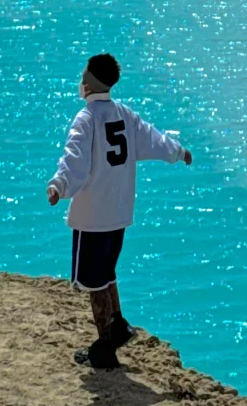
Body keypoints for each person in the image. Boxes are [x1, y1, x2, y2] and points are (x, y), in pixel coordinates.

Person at [47, 52, 192, 369]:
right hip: (119, 214)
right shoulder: (125, 115)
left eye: (83, 75)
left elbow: (75, 160)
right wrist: (179, 152)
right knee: (107, 274)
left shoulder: (86, 119)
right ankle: (118, 327)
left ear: (89, 83)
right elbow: (154, 139)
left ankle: (104, 348)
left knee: (94, 283)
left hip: (93, 216)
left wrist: (59, 185)